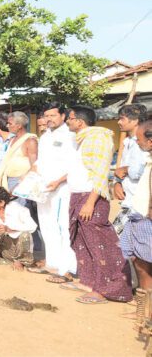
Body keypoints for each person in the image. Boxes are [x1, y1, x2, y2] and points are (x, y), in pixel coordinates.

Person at [64, 106, 131, 303]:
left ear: (80, 121)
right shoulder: (82, 139)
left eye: (70, 118)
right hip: (78, 195)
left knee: (100, 245)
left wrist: (90, 202)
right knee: (81, 241)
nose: (67, 121)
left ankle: (108, 289)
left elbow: (101, 173)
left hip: (91, 198)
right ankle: (88, 281)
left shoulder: (98, 138)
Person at [36, 102, 78, 284]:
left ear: (63, 116)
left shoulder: (70, 136)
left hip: (62, 189)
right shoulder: (44, 137)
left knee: (63, 227)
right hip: (43, 189)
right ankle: (52, 264)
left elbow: (75, 165)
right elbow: (40, 163)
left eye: (53, 115)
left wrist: (59, 181)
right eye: (47, 116)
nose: (49, 119)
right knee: (47, 225)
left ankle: (66, 269)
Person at [119, 119, 152, 297]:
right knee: (139, 261)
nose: (137, 142)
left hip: (147, 219)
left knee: (146, 265)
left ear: (150, 141)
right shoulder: (148, 160)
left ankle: (147, 312)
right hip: (137, 216)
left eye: (139, 139)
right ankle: (145, 308)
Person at [113, 104, 148, 233]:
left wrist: (127, 169)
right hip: (129, 202)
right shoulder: (127, 142)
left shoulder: (144, 142)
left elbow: (143, 171)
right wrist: (117, 182)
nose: (118, 122)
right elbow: (120, 170)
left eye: (122, 118)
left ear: (135, 121)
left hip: (140, 205)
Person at [0, 112, 38, 194]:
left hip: (21, 182)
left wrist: (21, 184)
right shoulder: (12, 140)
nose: (7, 126)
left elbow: (35, 166)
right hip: (7, 180)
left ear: (19, 126)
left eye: (10, 123)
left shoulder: (30, 141)